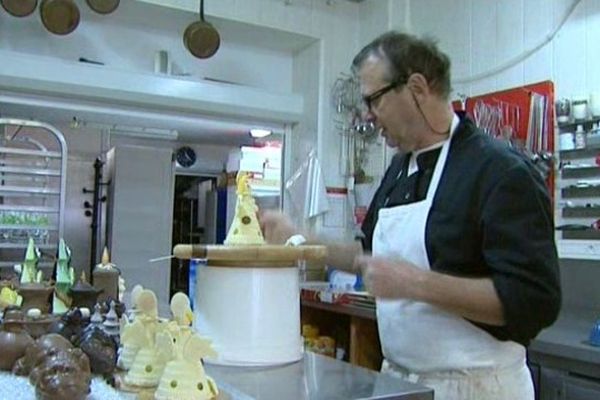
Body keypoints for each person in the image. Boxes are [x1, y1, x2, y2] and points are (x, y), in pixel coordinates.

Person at [260, 31, 561, 400]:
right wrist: (303, 241)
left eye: (374, 100)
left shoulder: (499, 172)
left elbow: (534, 302)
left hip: (477, 387)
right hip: (403, 383)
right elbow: (368, 257)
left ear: (416, 87)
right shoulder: (400, 169)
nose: (369, 116)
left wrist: (415, 284)